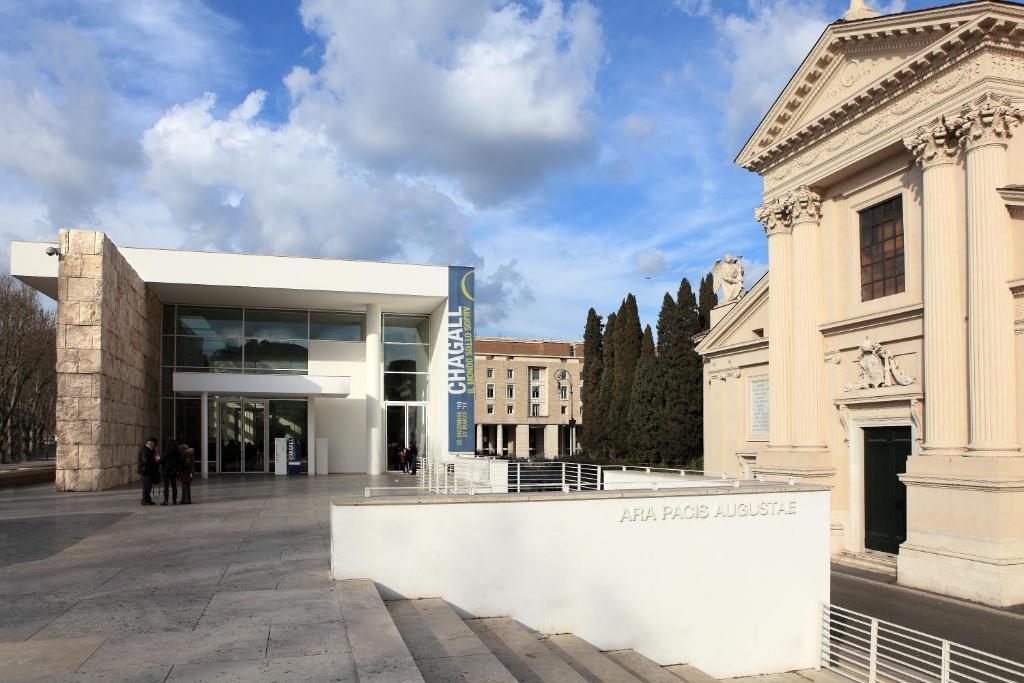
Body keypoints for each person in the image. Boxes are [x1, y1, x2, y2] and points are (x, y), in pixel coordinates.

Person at [161, 438, 182, 505]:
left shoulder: (167, 450)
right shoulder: (178, 451)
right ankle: (174, 501)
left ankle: (166, 501)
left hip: (166, 470)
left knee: (166, 486)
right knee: (174, 486)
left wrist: (157, 458)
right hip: (174, 470)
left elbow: (162, 460)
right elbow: (179, 461)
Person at [137, 437, 157, 506]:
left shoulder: (152, 450)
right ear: (150, 443)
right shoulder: (145, 450)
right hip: (145, 471)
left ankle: (148, 499)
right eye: (154, 444)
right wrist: (154, 461)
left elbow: (157, 458)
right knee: (146, 486)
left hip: (149, 471)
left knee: (149, 485)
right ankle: (145, 500)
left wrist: (157, 460)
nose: (154, 446)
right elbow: (145, 461)